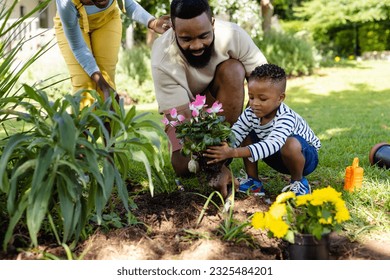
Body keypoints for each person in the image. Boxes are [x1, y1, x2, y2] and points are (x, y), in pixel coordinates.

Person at [150, 0, 267, 196]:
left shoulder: (233, 35)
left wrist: (248, 129)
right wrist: (214, 168)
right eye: (186, 39)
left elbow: (265, 82)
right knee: (184, 167)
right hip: (187, 115)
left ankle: (223, 153)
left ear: (212, 23)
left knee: (233, 70)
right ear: (172, 28)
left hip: (220, 105)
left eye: (204, 36)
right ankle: (217, 163)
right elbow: (181, 120)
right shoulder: (163, 56)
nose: (196, 45)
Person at [203, 64, 321, 196]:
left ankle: (298, 182)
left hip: (304, 158)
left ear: (280, 98)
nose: (254, 103)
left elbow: (273, 144)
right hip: (275, 154)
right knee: (246, 132)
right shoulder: (250, 113)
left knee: (290, 144)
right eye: (251, 97)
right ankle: (254, 183)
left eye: (263, 99)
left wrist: (233, 152)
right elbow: (236, 134)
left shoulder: (286, 117)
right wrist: (221, 149)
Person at [54, 0, 170, 107]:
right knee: (83, 82)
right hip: (73, 25)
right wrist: (103, 85)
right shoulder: (66, 2)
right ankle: (82, 127)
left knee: (107, 78)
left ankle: (109, 126)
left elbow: (126, 4)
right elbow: (79, 47)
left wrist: (153, 23)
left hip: (107, 20)